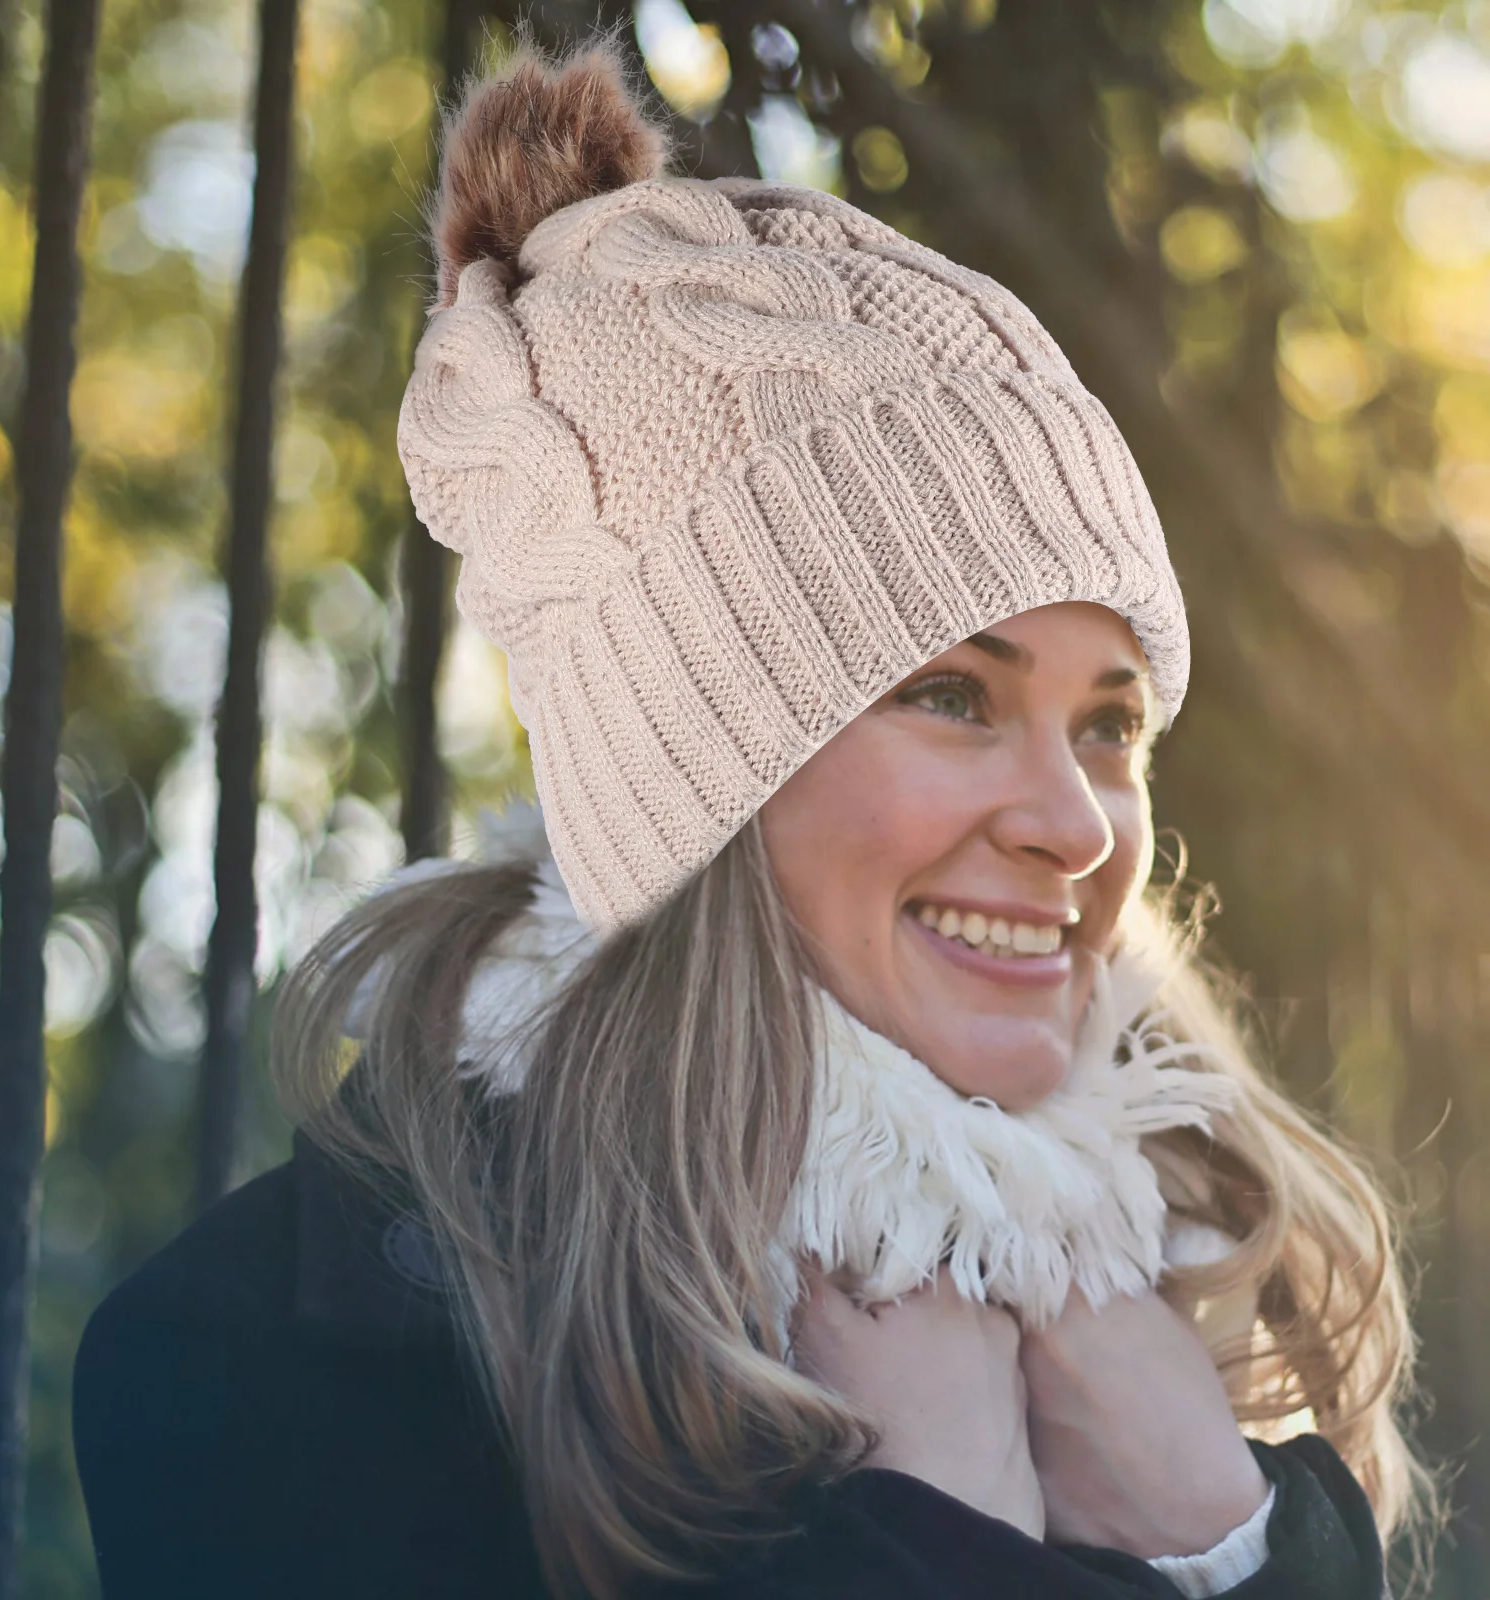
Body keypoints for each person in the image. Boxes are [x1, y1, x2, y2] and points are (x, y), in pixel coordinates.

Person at [72, 37, 1434, 1600]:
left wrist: (1226, 1539)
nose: (1078, 824)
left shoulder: (1186, 1310)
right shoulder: (274, 1371)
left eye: (1110, 721)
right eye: (952, 695)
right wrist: (930, 1543)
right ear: (693, 771)